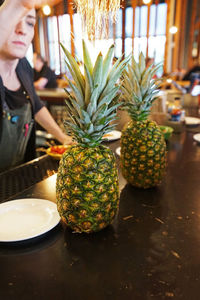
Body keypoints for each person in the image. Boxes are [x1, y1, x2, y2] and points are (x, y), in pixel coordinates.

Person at [0, 0, 73, 172]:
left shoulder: (23, 66)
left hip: (19, 176)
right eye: (14, 18)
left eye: (30, 22)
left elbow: (37, 106)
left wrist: (63, 137)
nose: (22, 29)